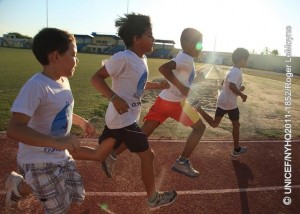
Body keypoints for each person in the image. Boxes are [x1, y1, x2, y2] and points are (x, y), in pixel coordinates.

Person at [72, 13, 177, 210]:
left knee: (99, 154)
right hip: (123, 120)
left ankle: (61, 152)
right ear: (136, 39)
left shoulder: (141, 59)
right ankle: (153, 198)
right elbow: (96, 78)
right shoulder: (124, 58)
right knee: (148, 156)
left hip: (123, 119)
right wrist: (114, 97)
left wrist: (157, 85)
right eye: (149, 34)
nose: (153, 38)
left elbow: (138, 85)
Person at [4, 27, 95, 213]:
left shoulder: (63, 81)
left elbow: (61, 111)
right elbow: (14, 128)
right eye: (73, 54)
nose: (77, 60)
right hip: (37, 159)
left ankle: (18, 187)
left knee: (77, 196)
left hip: (60, 155)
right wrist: (55, 141)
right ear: (55, 57)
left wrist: (80, 122)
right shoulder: (36, 86)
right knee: (59, 208)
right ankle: (24, 183)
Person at [103, 28, 206, 178]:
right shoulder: (186, 58)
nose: (201, 47)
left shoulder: (184, 58)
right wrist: (182, 87)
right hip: (176, 104)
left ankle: (111, 155)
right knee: (200, 128)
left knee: (143, 134)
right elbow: (164, 69)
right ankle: (182, 161)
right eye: (199, 44)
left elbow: (181, 78)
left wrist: (192, 82)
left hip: (163, 100)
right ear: (189, 44)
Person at [195, 47, 249, 156]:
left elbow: (225, 83)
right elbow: (232, 86)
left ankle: (199, 109)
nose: (247, 62)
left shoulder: (232, 69)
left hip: (224, 101)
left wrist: (239, 88)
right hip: (230, 103)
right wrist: (242, 95)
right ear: (241, 59)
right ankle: (236, 149)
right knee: (235, 125)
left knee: (220, 124)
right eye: (246, 59)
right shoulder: (236, 72)